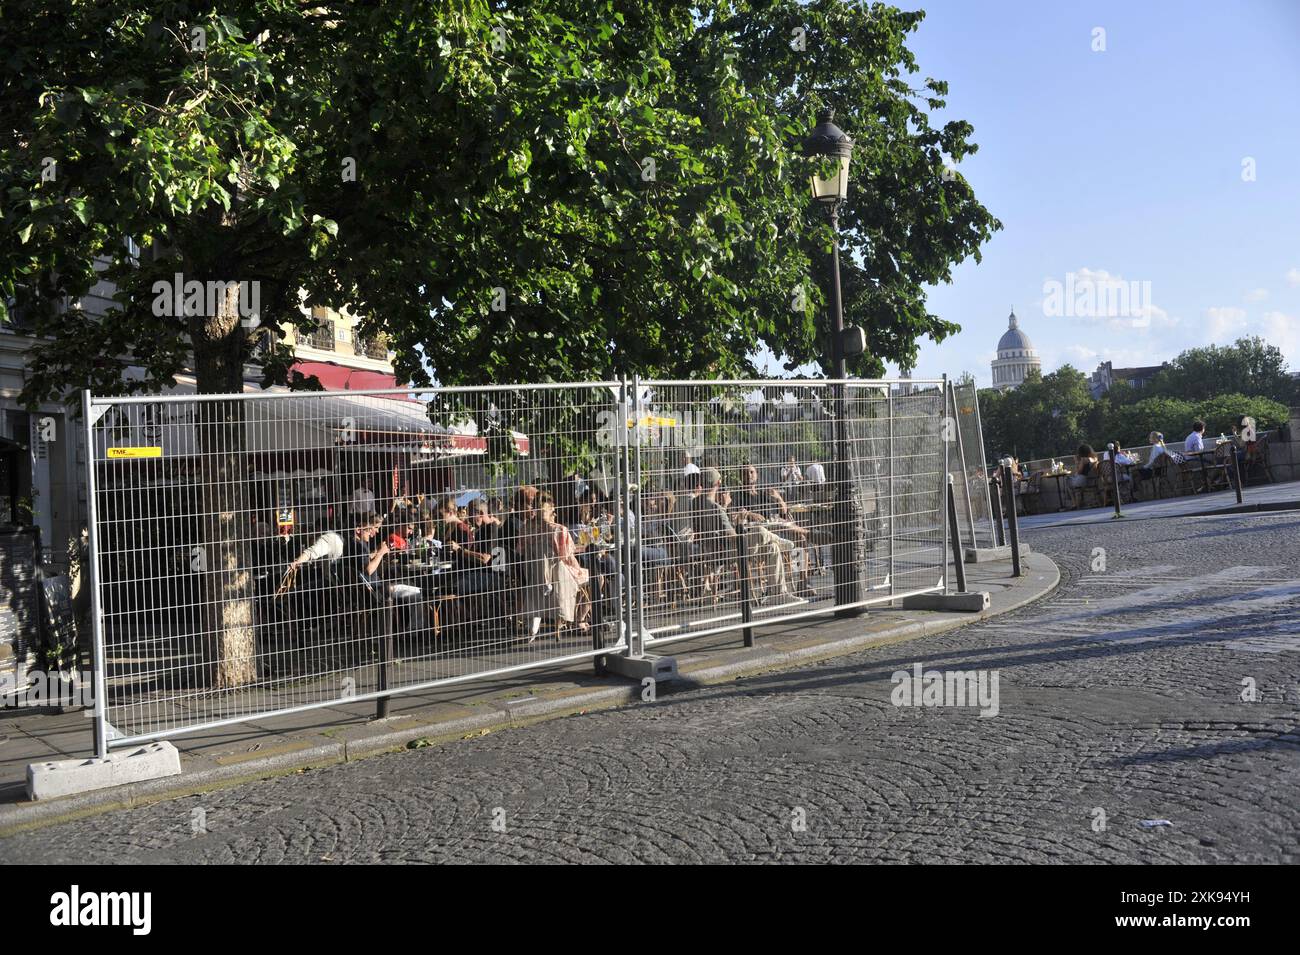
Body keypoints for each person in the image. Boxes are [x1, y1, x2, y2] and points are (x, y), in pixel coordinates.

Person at [537, 491, 591, 633]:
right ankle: (579, 619)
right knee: (597, 578)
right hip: (560, 577)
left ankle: (573, 616)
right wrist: (579, 568)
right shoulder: (559, 529)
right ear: (549, 510)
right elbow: (567, 557)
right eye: (553, 511)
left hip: (535, 576)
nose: (555, 514)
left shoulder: (526, 530)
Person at [1068, 444, 1098, 509]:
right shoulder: (1094, 458)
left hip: (1082, 479)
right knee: (1069, 482)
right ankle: (1076, 503)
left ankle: (1074, 503)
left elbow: (1079, 472)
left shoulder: (1083, 460)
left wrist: (1076, 462)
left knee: (1067, 481)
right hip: (1091, 479)